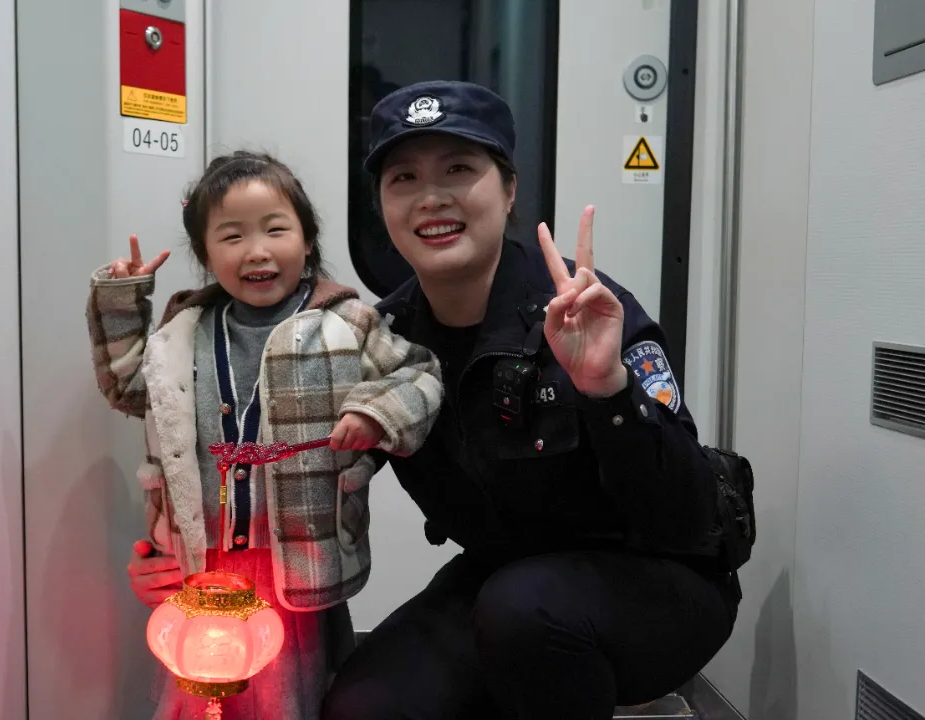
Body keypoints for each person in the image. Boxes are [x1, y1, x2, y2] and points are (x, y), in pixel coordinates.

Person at [315, 80, 742, 719]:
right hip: (502, 580)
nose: (431, 197)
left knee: (525, 613)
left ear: (509, 189)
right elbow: (314, 460)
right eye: (403, 177)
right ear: (382, 203)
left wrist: (607, 389)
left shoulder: (583, 310)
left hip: (659, 576)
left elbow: (685, 516)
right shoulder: (384, 339)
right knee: (363, 707)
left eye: (459, 169)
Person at [86, 150, 443, 720]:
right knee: (193, 692)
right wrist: (123, 302)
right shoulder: (184, 331)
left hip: (294, 562)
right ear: (206, 254)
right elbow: (128, 385)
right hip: (200, 562)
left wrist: (376, 413)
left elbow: (419, 373)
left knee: (288, 696)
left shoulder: (346, 323)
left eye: (275, 229)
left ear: (307, 239)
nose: (256, 250)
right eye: (232, 236)